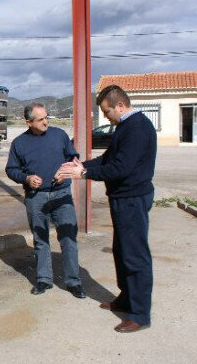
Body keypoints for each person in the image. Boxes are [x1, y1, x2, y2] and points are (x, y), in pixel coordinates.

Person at [57, 85, 156, 333]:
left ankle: (140, 314)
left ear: (120, 106)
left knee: (134, 254)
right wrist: (81, 165)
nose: (106, 116)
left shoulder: (138, 128)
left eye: (107, 111)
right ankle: (126, 298)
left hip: (132, 198)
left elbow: (120, 168)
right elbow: (109, 159)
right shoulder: (125, 127)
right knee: (121, 250)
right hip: (123, 198)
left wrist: (85, 173)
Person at [5, 103, 86, 299]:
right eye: (41, 119)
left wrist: (65, 172)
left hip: (61, 194)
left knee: (68, 238)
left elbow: (73, 157)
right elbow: (11, 169)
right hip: (36, 197)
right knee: (41, 240)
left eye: (47, 117)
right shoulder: (19, 143)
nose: (46, 122)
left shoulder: (59, 135)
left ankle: (73, 282)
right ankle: (43, 279)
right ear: (29, 122)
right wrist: (26, 179)